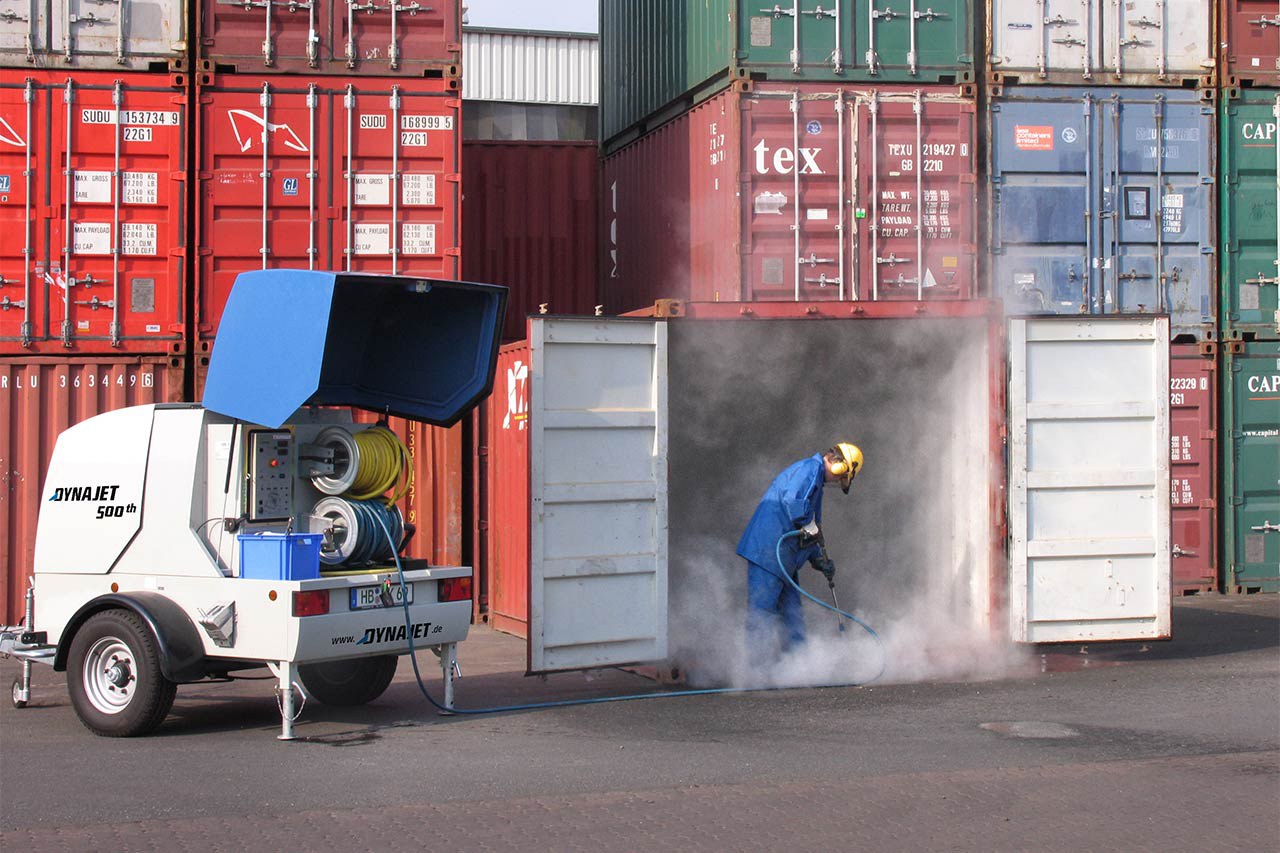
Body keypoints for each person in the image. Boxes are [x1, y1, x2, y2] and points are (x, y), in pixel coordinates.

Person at [736, 443, 864, 667]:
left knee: (792, 615)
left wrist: (818, 560)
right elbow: (793, 502)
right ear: (838, 466)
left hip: (784, 559)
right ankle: (755, 673)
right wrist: (808, 524)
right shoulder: (808, 470)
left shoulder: (814, 482)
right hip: (768, 551)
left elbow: (809, 532)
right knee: (762, 613)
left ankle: (798, 668)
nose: (836, 481)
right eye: (841, 476)